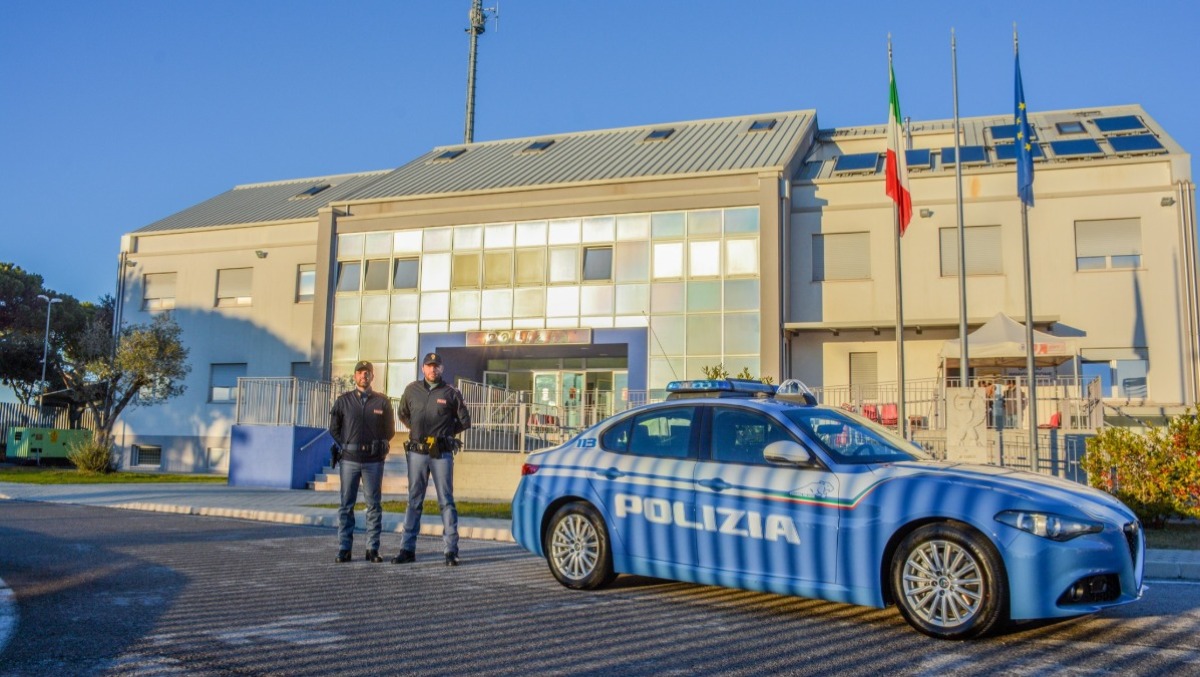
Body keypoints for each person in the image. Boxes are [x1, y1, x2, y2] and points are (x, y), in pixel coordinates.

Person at [394, 352, 472, 566]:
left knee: (446, 501)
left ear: (442, 369)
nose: (433, 369)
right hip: (417, 453)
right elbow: (402, 414)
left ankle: (450, 551)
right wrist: (416, 430)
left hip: (441, 454)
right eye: (429, 366)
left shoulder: (451, 392)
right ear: (423, 368)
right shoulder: (412, 390)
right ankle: (407, 549)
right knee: (414, 501)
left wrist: (446, 434)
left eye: (436, 366)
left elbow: (465, 421)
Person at [329, 360, 395, 564]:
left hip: (373, 461)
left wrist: (378, 445)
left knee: (373, 505)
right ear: (355, 376)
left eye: (367, 373)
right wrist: (347, 445)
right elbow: (334, 429)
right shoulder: (343, 401)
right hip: (349, 460)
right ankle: (344, 549)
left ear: (372, 377)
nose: (363, 376)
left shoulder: (382, 402)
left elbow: (389, 430)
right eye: (360, 373)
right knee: (346, 505)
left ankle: (372, 549)